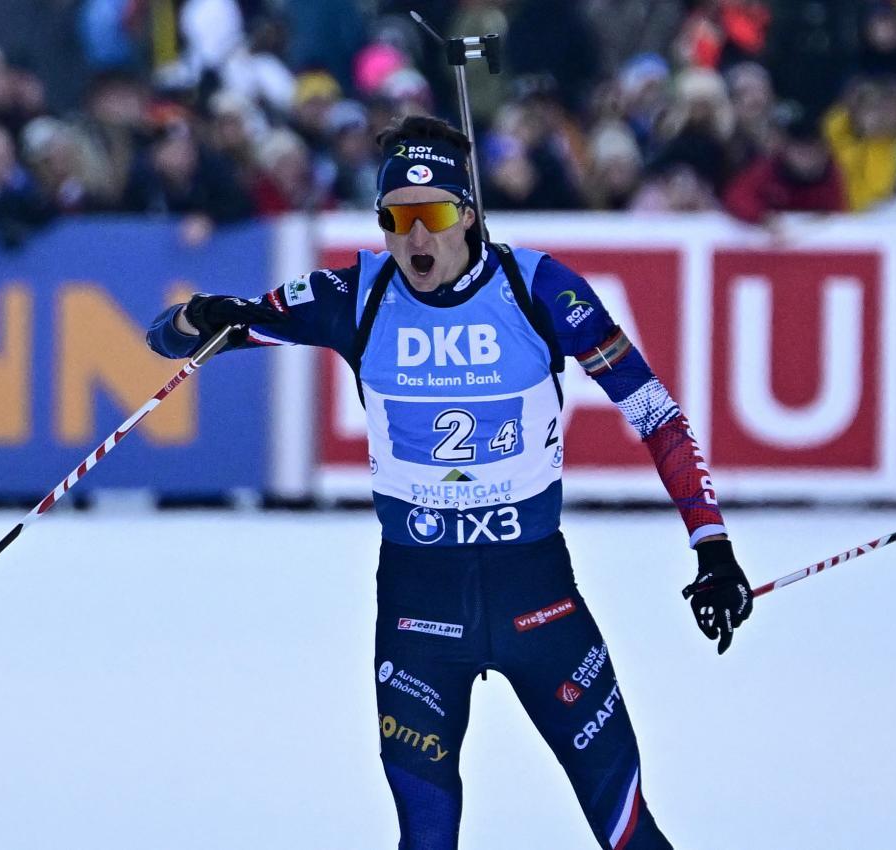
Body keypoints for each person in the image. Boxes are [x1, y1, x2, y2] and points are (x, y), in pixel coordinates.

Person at [145, 114, 753, 850]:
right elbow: (171, 339)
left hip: (539, 604)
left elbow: (653, 411)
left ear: (466, 214)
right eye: (396, 220)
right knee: (425, 839)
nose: (415, 240)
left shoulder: (538, 289)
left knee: (627, 830)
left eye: (432, 217)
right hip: (417, 612)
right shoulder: (354, 295)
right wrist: (202, 316)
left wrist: (711, 547)